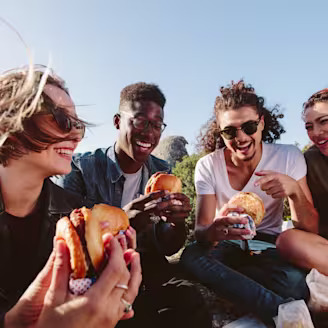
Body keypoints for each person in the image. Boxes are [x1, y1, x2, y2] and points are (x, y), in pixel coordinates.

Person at [55, 82, 213, 327]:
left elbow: (169, 248)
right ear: (118, 122)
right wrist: (124, 221)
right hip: (97, 275)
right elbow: (67, 244)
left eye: (157, 124)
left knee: (191, 303)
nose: (149, 133)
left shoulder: (163, 172)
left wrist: (176, 222)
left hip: (146, 268)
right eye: (140, 121)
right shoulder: (80, 169)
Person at [0, 66, 141, 327]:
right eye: (62, 120)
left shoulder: (75, 214)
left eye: (78, 125)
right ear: (9, 120)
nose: (76, 135)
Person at [180, 80, 318, 323]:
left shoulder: (288, 157)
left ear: (262, 122)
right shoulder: (208, 166)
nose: (241, 138)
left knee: (296, 284)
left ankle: (237, 285)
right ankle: (282, 312)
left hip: (268, 246)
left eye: (249, 126)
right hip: (226, 246)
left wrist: (295, 191)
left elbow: (310, 229)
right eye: (230, 132)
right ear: (220, 133)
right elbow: (201, 233)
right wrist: (217, 226)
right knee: (191, 256)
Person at [276, 88, 328, 276]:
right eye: (309, 127)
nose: (317, 133)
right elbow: (307, 226)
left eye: (324, 121)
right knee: (288, 240)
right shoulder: (309, 161)